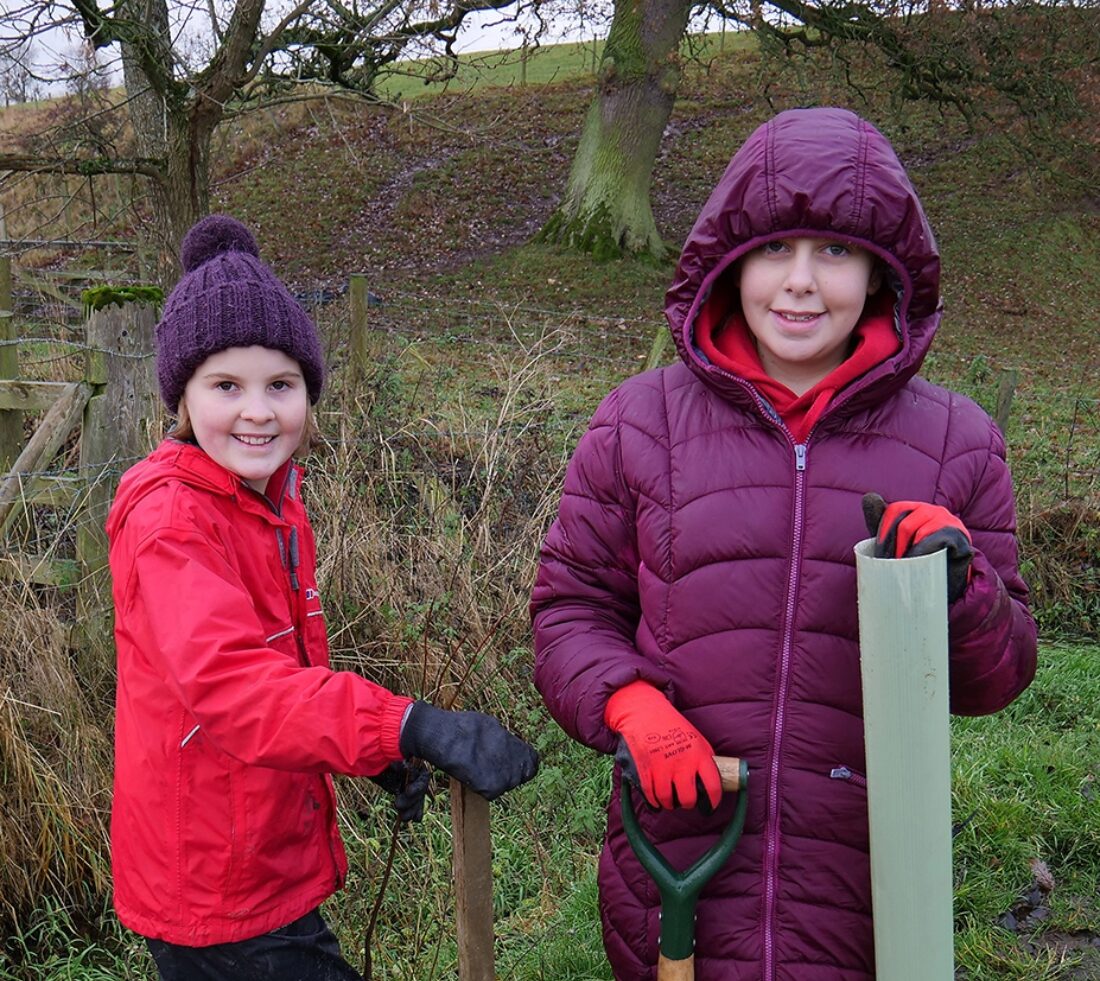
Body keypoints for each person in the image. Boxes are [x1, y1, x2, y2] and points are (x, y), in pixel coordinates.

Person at [530, 107, 1036, 980]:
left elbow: (998, 676)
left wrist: (964, 593)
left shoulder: (958, 441)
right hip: (683, 873)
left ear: (883, 270)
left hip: (866, 891)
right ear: (729, 262)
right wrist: (630, 705)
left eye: (835, 252)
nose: (799, 283)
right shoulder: (639, 423)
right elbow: (569, 609)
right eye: (773, 250)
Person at [106, 214, 539, 980]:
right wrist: (406, 726)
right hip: (214, 888)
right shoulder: (170, 521)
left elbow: (286, 670)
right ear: (182, 394)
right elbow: (235, 687)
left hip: (260, 857)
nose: (259, 411)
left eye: (282, 384)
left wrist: (372, 758)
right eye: (226, 385)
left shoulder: (271, 499)